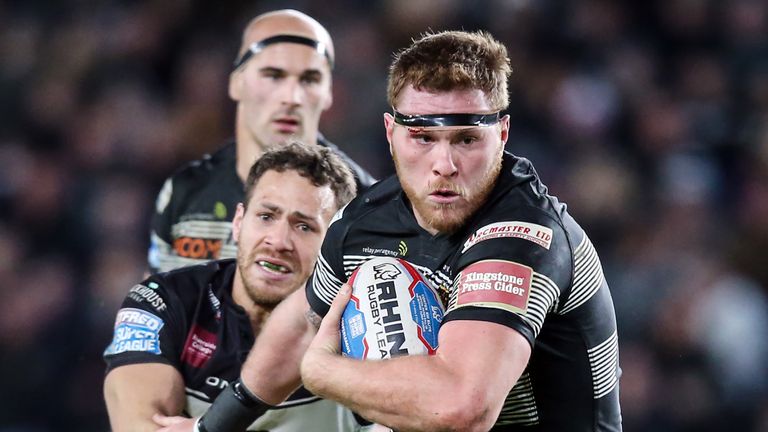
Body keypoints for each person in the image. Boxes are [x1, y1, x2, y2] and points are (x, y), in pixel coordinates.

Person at [157, 30, 622, 432]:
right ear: (390, 132)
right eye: (423, 137)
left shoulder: (525, 235)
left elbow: (462, 409)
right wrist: (210, 427)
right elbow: (302, 323)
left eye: (466, 139)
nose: (444, 165)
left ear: (501, 134)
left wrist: (322, 372)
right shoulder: (364, 221)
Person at [104, 142, 360, 431]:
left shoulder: (361, 323)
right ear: (238, 222)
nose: (278, 242)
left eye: (304, 227)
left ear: (338, 244)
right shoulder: (160, 302)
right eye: (266, 216)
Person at [149, 9, 376, 274]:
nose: (292, 97)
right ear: (236, 83)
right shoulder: (184, 192)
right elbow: (157, 300)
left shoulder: (365, 208)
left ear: (328, 94)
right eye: (274, 75)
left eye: (309, 79)